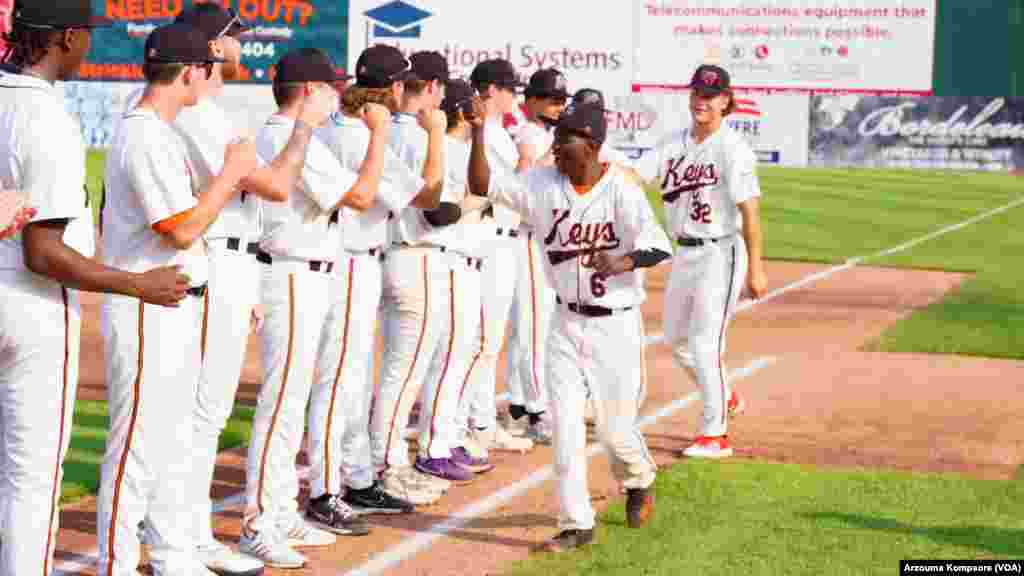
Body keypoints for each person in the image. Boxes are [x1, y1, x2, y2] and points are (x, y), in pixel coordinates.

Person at [0, 3, 189, 575]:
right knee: (31, 479)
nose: (91, 48)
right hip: (31, 305)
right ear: (65, 38)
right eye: (87, 37)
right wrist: (138, 284)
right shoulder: (46, 116)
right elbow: (44, 253)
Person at [166, 5, 337, 575]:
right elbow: (272, 185)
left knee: (207, 410)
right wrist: (304, 130)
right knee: (202, 411)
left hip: (239, 260)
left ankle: (187, 532)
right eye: (232, 38)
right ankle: (184, 537)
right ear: (209, 47)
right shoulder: (197, 116)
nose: (239, 47)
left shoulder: (212, 112)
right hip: (217, 257)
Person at [467, 97, 670, 553]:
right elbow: (482, 184)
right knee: (565, 428)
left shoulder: (621, 191)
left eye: (567, 142)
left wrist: (622, 260)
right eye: (556, 141)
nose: (557, 150)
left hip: (615, 326)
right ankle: (575, 522)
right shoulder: (541, 183)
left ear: (595, 146)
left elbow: (661, 246)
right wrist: (481, 131)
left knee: (615, 431)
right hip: (564, 322)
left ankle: (639, 476)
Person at [96, 21, 260, 576]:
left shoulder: (160, 131)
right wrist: (232, 175)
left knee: (166, 443)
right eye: (207, 67)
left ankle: (171, 557)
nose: (209, 77)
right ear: (190, 71)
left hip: (173, 301)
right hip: (145, 302)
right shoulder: (143, 133)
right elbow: (181, 228)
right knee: (135, 450)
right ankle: (115, 565)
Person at [240, 47, 388, 569]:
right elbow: (364, 195)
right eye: (329, 87)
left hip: (307, 273)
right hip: (290, 273)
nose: (337, 95)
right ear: (307, 91)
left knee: (292, 399)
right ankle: (259, 521)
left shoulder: (294, 135)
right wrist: (381, 138)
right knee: (281, 402)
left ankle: (279, 511)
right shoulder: (284, 135)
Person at [314, 44, 444, 512]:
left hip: (343, 260)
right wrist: (437, 137)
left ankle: (355, 475)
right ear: (390, 88)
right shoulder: (365, 136)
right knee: (341, 381)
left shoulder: (335, 126)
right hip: (351, 261)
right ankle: (329, 488)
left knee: (345, 378)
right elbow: (429, 197)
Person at [641, 65, 767, 459]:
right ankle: (724, 394)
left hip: (720, 252)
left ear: (726, 101)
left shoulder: (733, 149)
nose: (701, 101)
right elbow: (636, 174)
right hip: (685, 253)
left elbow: (750, 212)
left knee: (703, 341)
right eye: (697, 93)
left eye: (710, 95)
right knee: (676, 338)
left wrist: (757, 268)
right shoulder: (673, 143)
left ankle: (715, 435)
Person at [466, 58, 538, 454]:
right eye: (510, 89)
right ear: (491, 90)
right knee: (483, 338)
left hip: (504, 239)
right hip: (489, 237)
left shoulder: (497, 132)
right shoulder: (486, 133)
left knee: (489, 340)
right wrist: (533, 164)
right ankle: (475, 422)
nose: (515, 96)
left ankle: (478, 420)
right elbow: (498, 189)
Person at [500, 68, 570, 443]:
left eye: (561, 100)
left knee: (531, 328)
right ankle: (537, 409)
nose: (558, 106)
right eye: (551, 99)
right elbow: (523, 180)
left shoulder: (544, 134)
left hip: (536, 239)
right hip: (526, 239)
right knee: (533, 328)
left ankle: (518, 402)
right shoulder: (530, 133)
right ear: (532, 101)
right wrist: (550, 155)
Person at [440, 78, 502, 470]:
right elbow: (464, 199)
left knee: (462, 354)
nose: (484, 111)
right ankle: (442, 441)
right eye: (476, 106)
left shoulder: (462, 149)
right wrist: (480, 200)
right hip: (452, 259)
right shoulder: (450, 150)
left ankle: (451, 434)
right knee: (451, 357)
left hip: (468, 260)